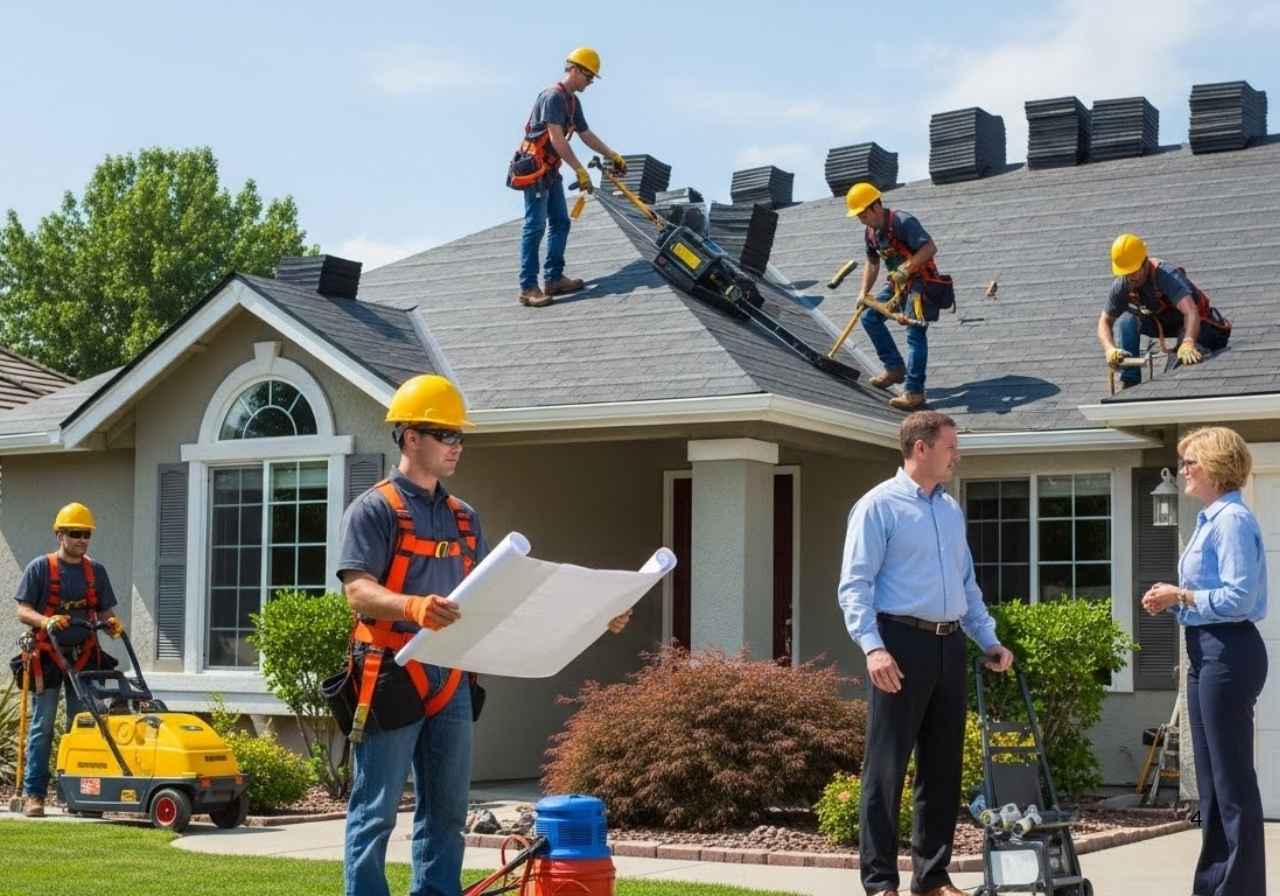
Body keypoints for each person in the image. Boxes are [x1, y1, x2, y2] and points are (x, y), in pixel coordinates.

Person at [339, 373, 631, 896]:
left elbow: (502, 597)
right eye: (446, 435)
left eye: (460, 436)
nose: (457, 446)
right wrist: (412, 606)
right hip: (391, 673)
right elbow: (357, 591)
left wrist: (594, 615)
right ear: (410, 437)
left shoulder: (464, 519)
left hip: (451, 676)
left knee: (447, 812)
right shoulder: (375, 509)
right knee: (375, 811)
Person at [837, 410, 1014, 896]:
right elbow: (855, 586)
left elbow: (965, 584)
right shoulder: (878, 506)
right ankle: (880, 884)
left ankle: (932, 878)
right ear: (921, 448)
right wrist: (873, 648)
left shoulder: (949, 510)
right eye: (950, 447)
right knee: (886, 769)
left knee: (942, 769)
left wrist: (989, 639)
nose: (957, 455)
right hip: (899, 644)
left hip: (949, 644)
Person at [1141, 426, 1267, 896]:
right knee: (1212, 784)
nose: (1183, 471)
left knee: (1232, 781)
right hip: (1204, 648)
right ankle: (1215, 885)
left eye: (1189, 462)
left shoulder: (1232, 520)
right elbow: (1209, 595)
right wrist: (1173, 601)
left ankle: (1241, 888)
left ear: (1215, 466)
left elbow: (1240, 597)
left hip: (1229, 652)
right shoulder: (1209, 520)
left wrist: (1182, 595)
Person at [13, 502, 124, 818]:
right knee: (43, 725)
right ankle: (35, 795)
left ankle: (78, 796)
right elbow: (22, 610)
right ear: (59, 535)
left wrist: (112, 624)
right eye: (75, 534)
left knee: (83, 725)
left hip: (84, 656)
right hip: (47, 657)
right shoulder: (40, 568)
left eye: (86, 534)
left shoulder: (96, 572)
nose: (82, 540)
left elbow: (104, 611)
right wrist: (46, 620)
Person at [514, 47, 627, 308]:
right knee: (535, 226)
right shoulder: (552, 97)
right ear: (574, 70)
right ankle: (528, 287)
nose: (590, 82)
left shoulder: (572, 102)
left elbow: (585, 134)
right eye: (588, 76)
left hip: (550, 170)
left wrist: (611, 154)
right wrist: (578, 169)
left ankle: (553, 279)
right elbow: (556, 139)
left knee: (561, 222)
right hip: (535, 169)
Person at [846, 182, 948, 411]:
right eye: (859, 216)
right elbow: (872, 262)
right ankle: (894, 369)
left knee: (915, 333)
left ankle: (914, 392)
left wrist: (907, 268)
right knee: (870, 317)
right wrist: (863, 292)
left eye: (863, 215)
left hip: (921, 284)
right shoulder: (870, 233)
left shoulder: (902, 221)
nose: (861, 220)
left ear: (875, 207)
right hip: (897, 285)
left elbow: (930, 248)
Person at [1097, 233, 1232, 388]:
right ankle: (1130, 380)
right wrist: (1109, 349)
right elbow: (1104, 321)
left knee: (1177, 367)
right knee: (1126, 320)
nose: (1130, 277)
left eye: (1133, 271)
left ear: (1145, 262)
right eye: (1126, 274)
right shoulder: (1124, 284)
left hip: (1203, 325)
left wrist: (1188, 342)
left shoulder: (1166, 275)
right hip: (1164, 323)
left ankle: (1185, 362)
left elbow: (1191, 311)